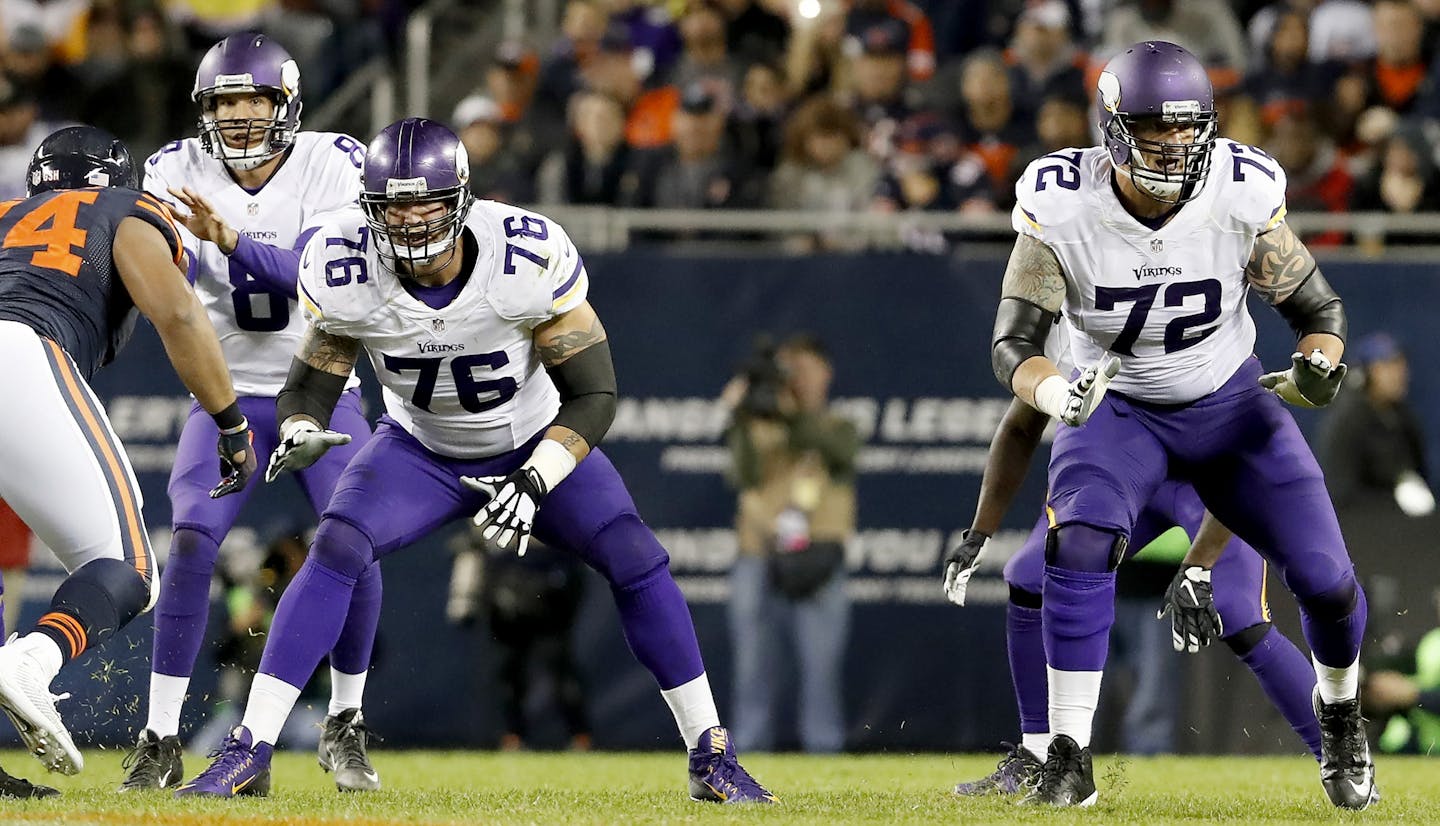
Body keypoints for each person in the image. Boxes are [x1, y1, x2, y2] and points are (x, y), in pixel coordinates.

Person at [174, 117, 775, 804]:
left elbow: (593, 394)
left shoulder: (523, 253)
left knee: (637, 558)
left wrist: (539, 474)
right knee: (336, 546)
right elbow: (312, 380)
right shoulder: (343, 261)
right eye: (392, 207)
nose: (409, 223)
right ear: (368, 209)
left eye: (425, 203)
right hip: (419, 450)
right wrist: (303, 424)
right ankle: (249, 748)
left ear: (461, 196)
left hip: (532, 438)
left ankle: (710, 754)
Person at [989, 41, 1373, 808]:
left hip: (1230, 407)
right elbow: (1013, 345)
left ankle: (1338, 712)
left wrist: (1319, 365)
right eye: (1152, 129)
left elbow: (1318, 312)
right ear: (1113, 127)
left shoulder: (1240, 187)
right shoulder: (1064, 201)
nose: (1173, 145)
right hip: (1119, 410)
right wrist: (1054, 393)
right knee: (1079, 541)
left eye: (1187, 127)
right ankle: (1070, 752)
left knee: (1327, 582)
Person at [119, 33, 382, 794]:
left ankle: (345, 722)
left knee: (353, 539)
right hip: (225, 392)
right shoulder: (173, 167)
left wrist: (228, 236)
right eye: (222, 101)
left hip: (322, 387)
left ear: (286, 103)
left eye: (251, 99)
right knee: (194, 539)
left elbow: (309, 270)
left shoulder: (336, 162)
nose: (235, 115)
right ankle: (161, 735)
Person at [944, 325, 1322, 794]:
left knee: (1236, 611)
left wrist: (1199, 564)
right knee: (1028, 575)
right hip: (1124, 480)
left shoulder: (1201, 316)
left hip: (1201, 486)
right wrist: (980, 531)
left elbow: (1236, 459)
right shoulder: (1073, 328)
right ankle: (1039, 753)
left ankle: (1341, 757)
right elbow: (1022, 424)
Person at [0, 125, 257, 793]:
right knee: (128, 567)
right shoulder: (125, 209)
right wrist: (230, 420)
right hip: (19, 351)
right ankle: (34, 657)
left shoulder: (4, 215)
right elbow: (175, 313)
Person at [723, 334, 857, 754]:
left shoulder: (838, 425)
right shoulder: (760, 426)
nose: (795, 378)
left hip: (818, 558)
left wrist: (797, 408)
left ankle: (824, 751)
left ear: (826, 372)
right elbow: (741, 475)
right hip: (758, 554)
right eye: (789, 370)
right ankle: (747, 754)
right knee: (752, 667)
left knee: (821, 668)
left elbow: (838, 454)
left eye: (804, 368)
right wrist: (740, 415)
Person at [446, 531, 591, 751]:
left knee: (558, 667)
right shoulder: (490, 507)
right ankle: (513, 735)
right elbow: (474, 546)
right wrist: (463, 599)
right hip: (507, 582)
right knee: (510, 670)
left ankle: (580, 736)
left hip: (551, 583)